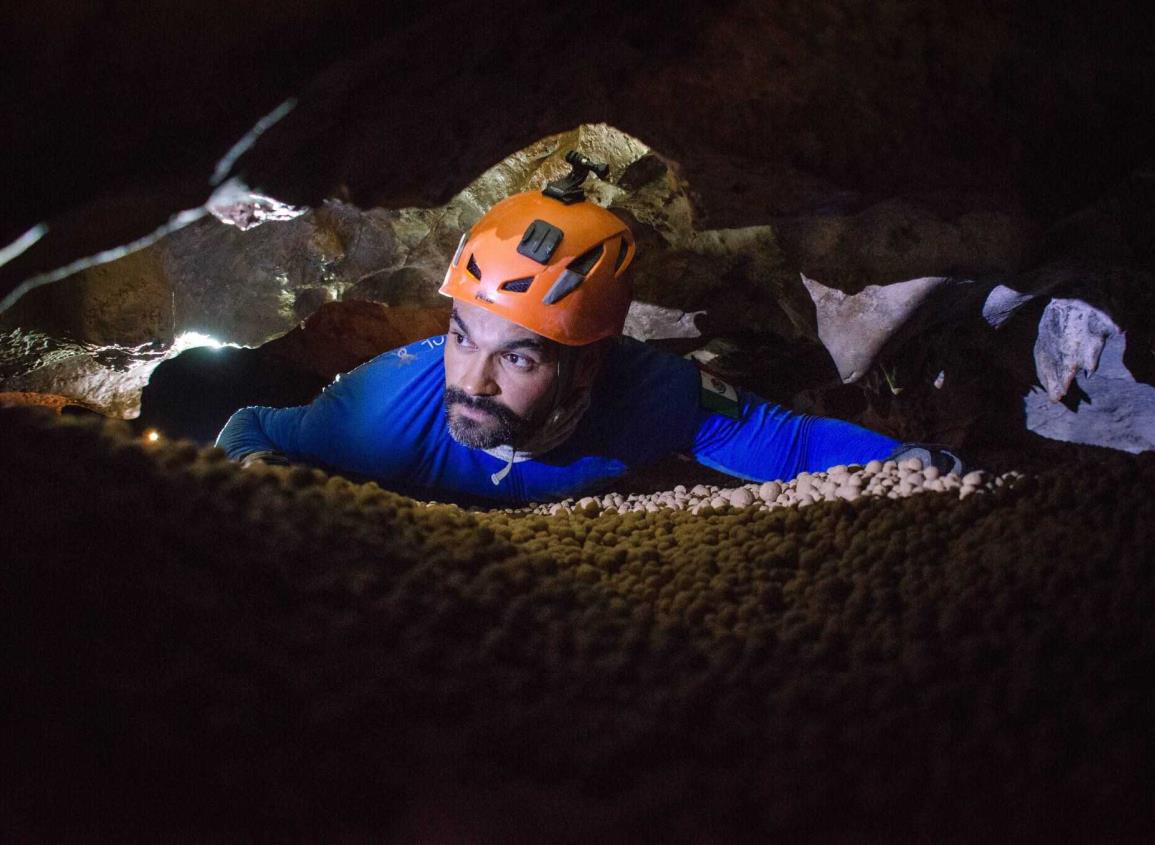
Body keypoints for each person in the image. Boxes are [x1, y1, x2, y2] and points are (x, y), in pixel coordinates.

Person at [216, 153, 958, 505]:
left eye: (518, 356)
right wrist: (256, 485)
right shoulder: (372, 417)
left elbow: (792, 443)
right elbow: (251, 424)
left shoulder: (654, 393)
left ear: (588, 366)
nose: (469, 381)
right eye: (462, 336)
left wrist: (924, 465)